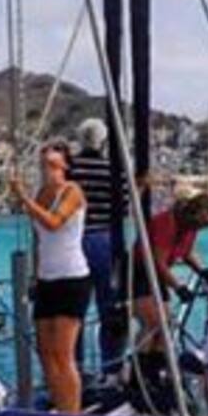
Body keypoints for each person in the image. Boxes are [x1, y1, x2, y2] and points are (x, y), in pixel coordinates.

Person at [10, 143, 90, 414]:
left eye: (53, 165)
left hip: (71, 277)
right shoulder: (41, 194)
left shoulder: (72, 191)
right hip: (47, 279)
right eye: (44, 165)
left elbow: (53, 222)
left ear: (65, 166)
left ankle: (72, 415)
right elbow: (38, 238)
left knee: (63, 354)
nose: (48, 171)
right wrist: (34, 275)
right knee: (45, 353)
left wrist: (23, 198)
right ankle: (59, 406)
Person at [66, 120, 128, 379]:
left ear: (80, 139)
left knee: (75, 310)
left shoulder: (71, 169)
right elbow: (124, 208)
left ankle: (75, 370)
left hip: (74, 241)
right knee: (110, 308)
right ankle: (111, 369)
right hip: (105, 240)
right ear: (103, 141)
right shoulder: (114, 170)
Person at [126, 193, 208, 355]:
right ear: (193, 215)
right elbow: (158, 262)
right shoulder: (166, 224)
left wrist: (202, 271)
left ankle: (157, 367)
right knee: (152, 323)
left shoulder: (190, 227)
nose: (199, 229)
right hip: (140, 271)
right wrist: (178, 288)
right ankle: (138, 370)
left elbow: (186, 252)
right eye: (200, 225)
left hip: (157, 275)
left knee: (166, 325)